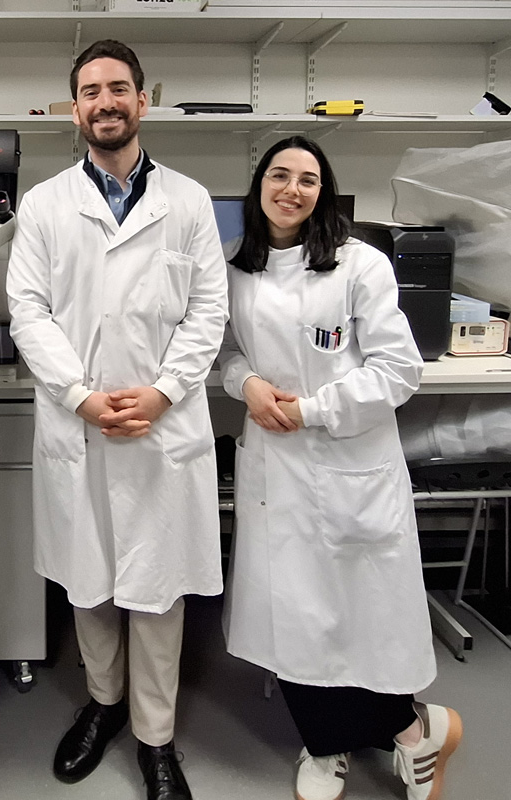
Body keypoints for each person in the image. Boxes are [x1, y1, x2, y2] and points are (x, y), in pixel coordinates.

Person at [6, 40, 227, 800]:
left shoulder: (190, 202)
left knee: (158, 592)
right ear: (76, 109)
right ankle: (104, 707)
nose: (106, 101)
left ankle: (157, 738)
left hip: (163, 428)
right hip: (82, 424)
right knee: (90, 585)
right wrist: (79, 395)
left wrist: (164, 392)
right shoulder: (43, 206)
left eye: (119, 88)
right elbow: (27, 312)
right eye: (92, 91)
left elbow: (208, 311)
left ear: (143, 101)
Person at [219, 135, 463, 800]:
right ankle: (339, 745)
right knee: (295, 618)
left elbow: (399, 368)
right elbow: (228, 351)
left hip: (346, 458)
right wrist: (248, 388)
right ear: (259, 185)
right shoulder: (237, 267)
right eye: (279, 175)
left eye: (307, 179)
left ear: (323, 192)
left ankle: (409, 735)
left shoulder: (360, 265)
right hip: (276, 465)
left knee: (363, 619)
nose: (291, 189)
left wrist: (316, 409)